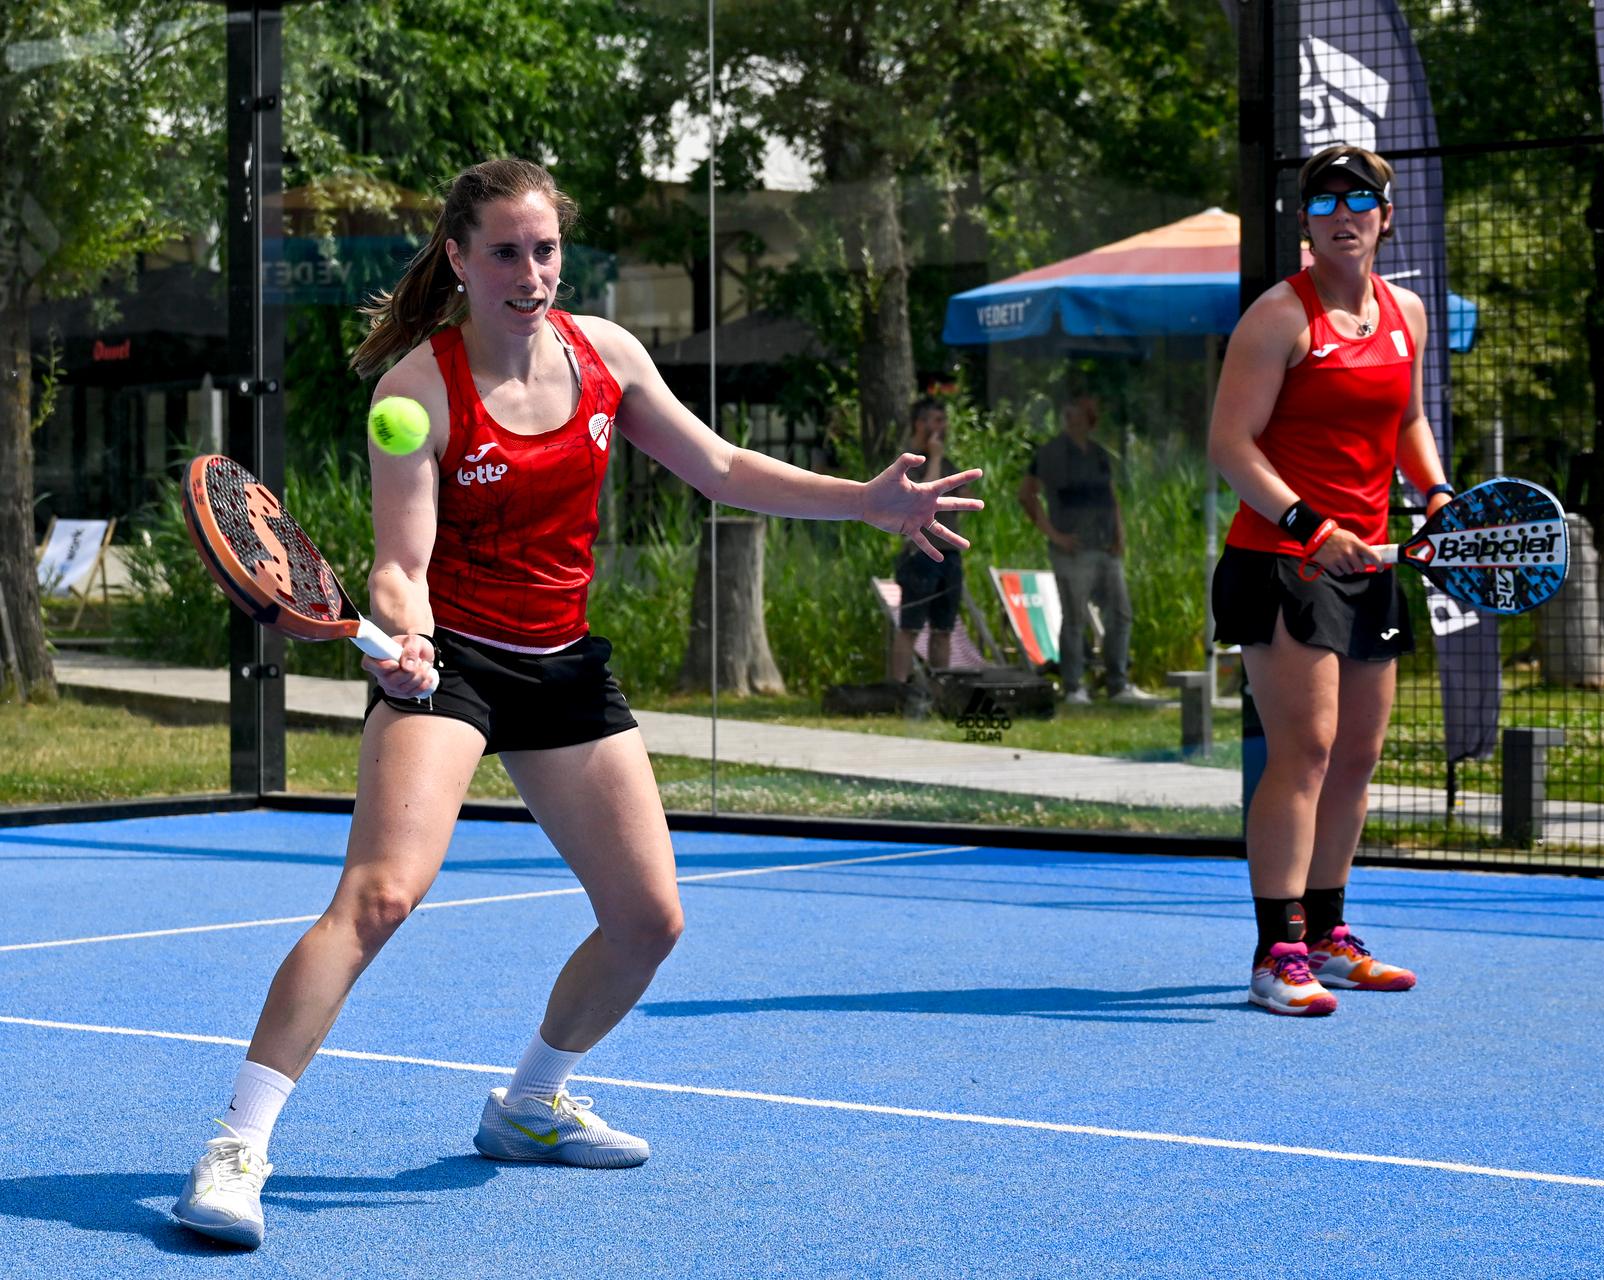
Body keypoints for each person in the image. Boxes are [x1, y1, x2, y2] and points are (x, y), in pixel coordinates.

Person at [169, 157, 981, 1249]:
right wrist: (402, 636)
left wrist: (868, 503)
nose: (530, 271)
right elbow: (401, 561)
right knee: (381, 895)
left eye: (545, 248)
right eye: (504, 250)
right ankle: (237, 1144)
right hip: (452, 665)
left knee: (650, 919)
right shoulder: (417, 390)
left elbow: (724, 465)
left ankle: (528, 1104)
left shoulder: (608, 355)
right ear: (458, 258)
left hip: (562, 666)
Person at [1206, 144, 1452, 1017]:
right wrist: (1312, 527)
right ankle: (1276, 953)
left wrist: (1436, 494)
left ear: (1386, 217)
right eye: (1324, 203)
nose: (1342, 215)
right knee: (1305, 749)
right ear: (1304, 222)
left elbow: (1410, 419)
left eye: (1361, 201)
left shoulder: (1409, 313)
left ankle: (1328, 937)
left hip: (1373, 563)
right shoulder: (1277, 317)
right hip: (1282, 562)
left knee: (1358, 754)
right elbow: (1230, 447)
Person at [1017, 389, 1153, 706]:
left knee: (1120, 614)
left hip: (1106, 549)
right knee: (1075, 618)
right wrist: (1055, 535)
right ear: (1071, 415)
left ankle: (1117, 684)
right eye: (1087, 411)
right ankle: (1073, 686)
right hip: (1073, 550)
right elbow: (1027, 495)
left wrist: (1120, 535)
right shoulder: (1051, 453)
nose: (1094, 418)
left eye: (1095, 412)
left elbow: (1110, 496)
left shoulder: (1099, 453)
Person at [888, 398, 967, 684]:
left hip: (950, 554)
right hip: (920, 553)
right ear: (920, 424)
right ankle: (897, 688)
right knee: (910, 626)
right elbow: (924, 496)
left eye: (943, 420)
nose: (942, 427)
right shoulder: (909, 462)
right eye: (935, 420)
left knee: (944, 628)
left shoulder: (948, 461)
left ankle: (940, 688)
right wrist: (932, 457)